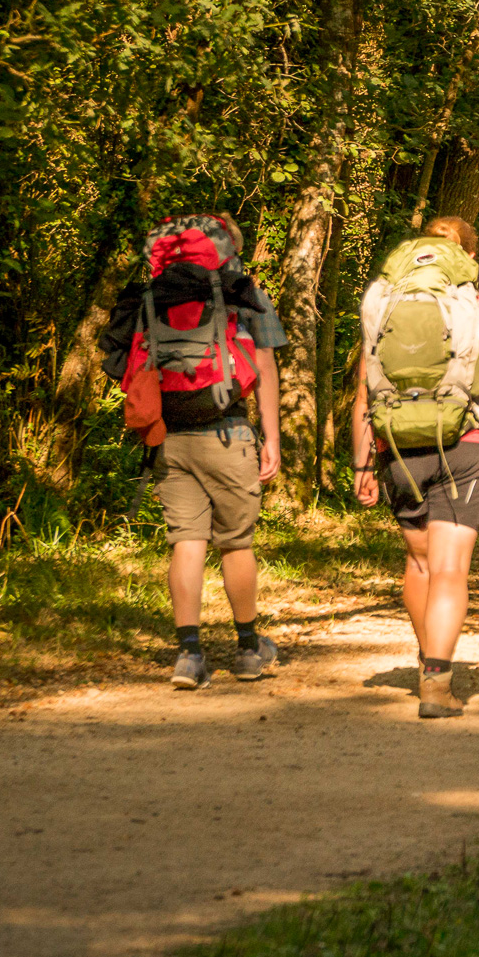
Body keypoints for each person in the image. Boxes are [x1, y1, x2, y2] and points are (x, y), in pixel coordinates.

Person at [352, 216, 479, 719]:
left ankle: (426, 658)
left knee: (419, 564)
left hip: (395, 448)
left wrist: (362, 463)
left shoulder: (384, 306)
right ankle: (437, 683)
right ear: (469, 259)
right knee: (451, 568)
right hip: (464, 446)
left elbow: (366, 392)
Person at [101, 213, 285, 691]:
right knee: (236, 541)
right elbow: (264, 365)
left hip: (168, 435)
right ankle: (248, 650)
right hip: (227, 432)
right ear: (228, 249)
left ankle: (189, 655)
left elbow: (121, 361)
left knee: (186, 541)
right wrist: (273, 438)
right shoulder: (242, 292)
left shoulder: (152, 294)